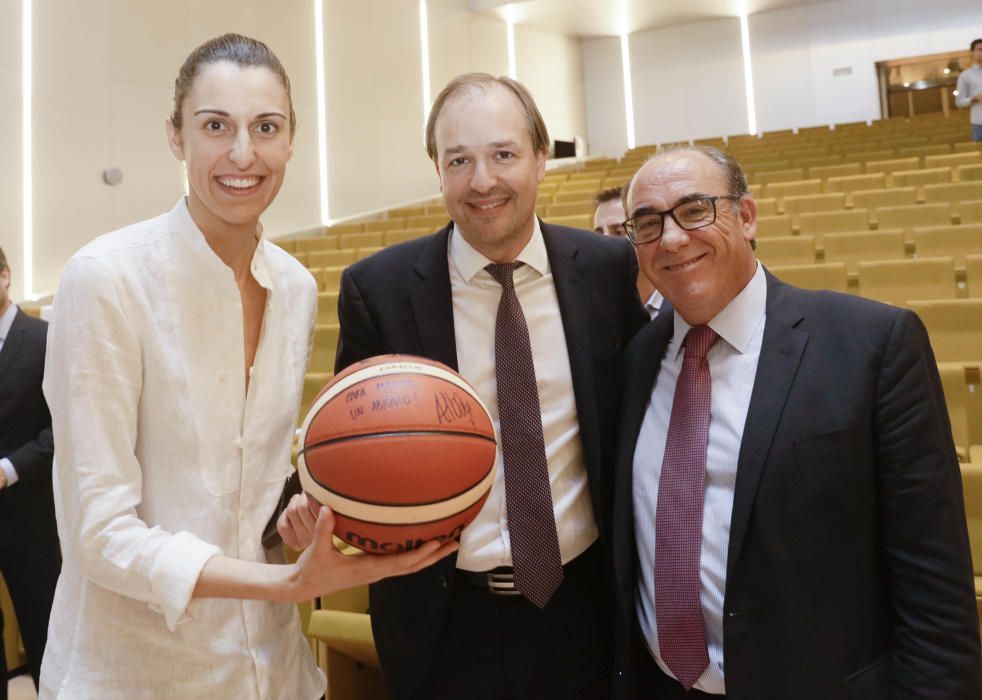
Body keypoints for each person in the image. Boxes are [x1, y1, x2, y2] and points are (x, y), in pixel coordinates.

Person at [39, 34, 455, 700]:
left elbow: (249, 484)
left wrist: (294, 514)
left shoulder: (292, 287)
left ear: (292, 140)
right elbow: (100, 535)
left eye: (266, 127)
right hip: (135, 675)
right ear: (176, 136)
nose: (242, 154)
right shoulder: (105, 279)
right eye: (214, 126)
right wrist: (291, 584)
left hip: (275, 670)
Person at [279, 72, 647, 699]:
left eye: (503, 154)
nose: (482, 181)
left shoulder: (611, 272)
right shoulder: (382, 289)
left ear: (540, 156)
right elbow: (351, 430)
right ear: (438, 170)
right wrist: (307, 495)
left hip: (586, 611)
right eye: (459, 160)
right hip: (441, 620)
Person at [610, 146, 981, 699]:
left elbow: (935, 589)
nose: (671, 239)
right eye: (647, 224)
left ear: (747, 216)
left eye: (695, 210)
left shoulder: (872, 346)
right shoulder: (635, 360)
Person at [0, 247, 59, 700]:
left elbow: (63, 428)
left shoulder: (45, 338)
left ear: (5, 277)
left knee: (45, 632)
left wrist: (10, 468)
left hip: (30, 514)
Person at [594, 185, 663, 319]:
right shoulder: (595, 308)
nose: (604, 240)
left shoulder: (680, 300)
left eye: (618, 231)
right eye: (598, 234)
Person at [955, 39, 982, 142]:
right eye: (980, 49)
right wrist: (974, 98)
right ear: (972, 53)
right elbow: (959, 102)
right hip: (979, 122)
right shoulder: (965, 76)